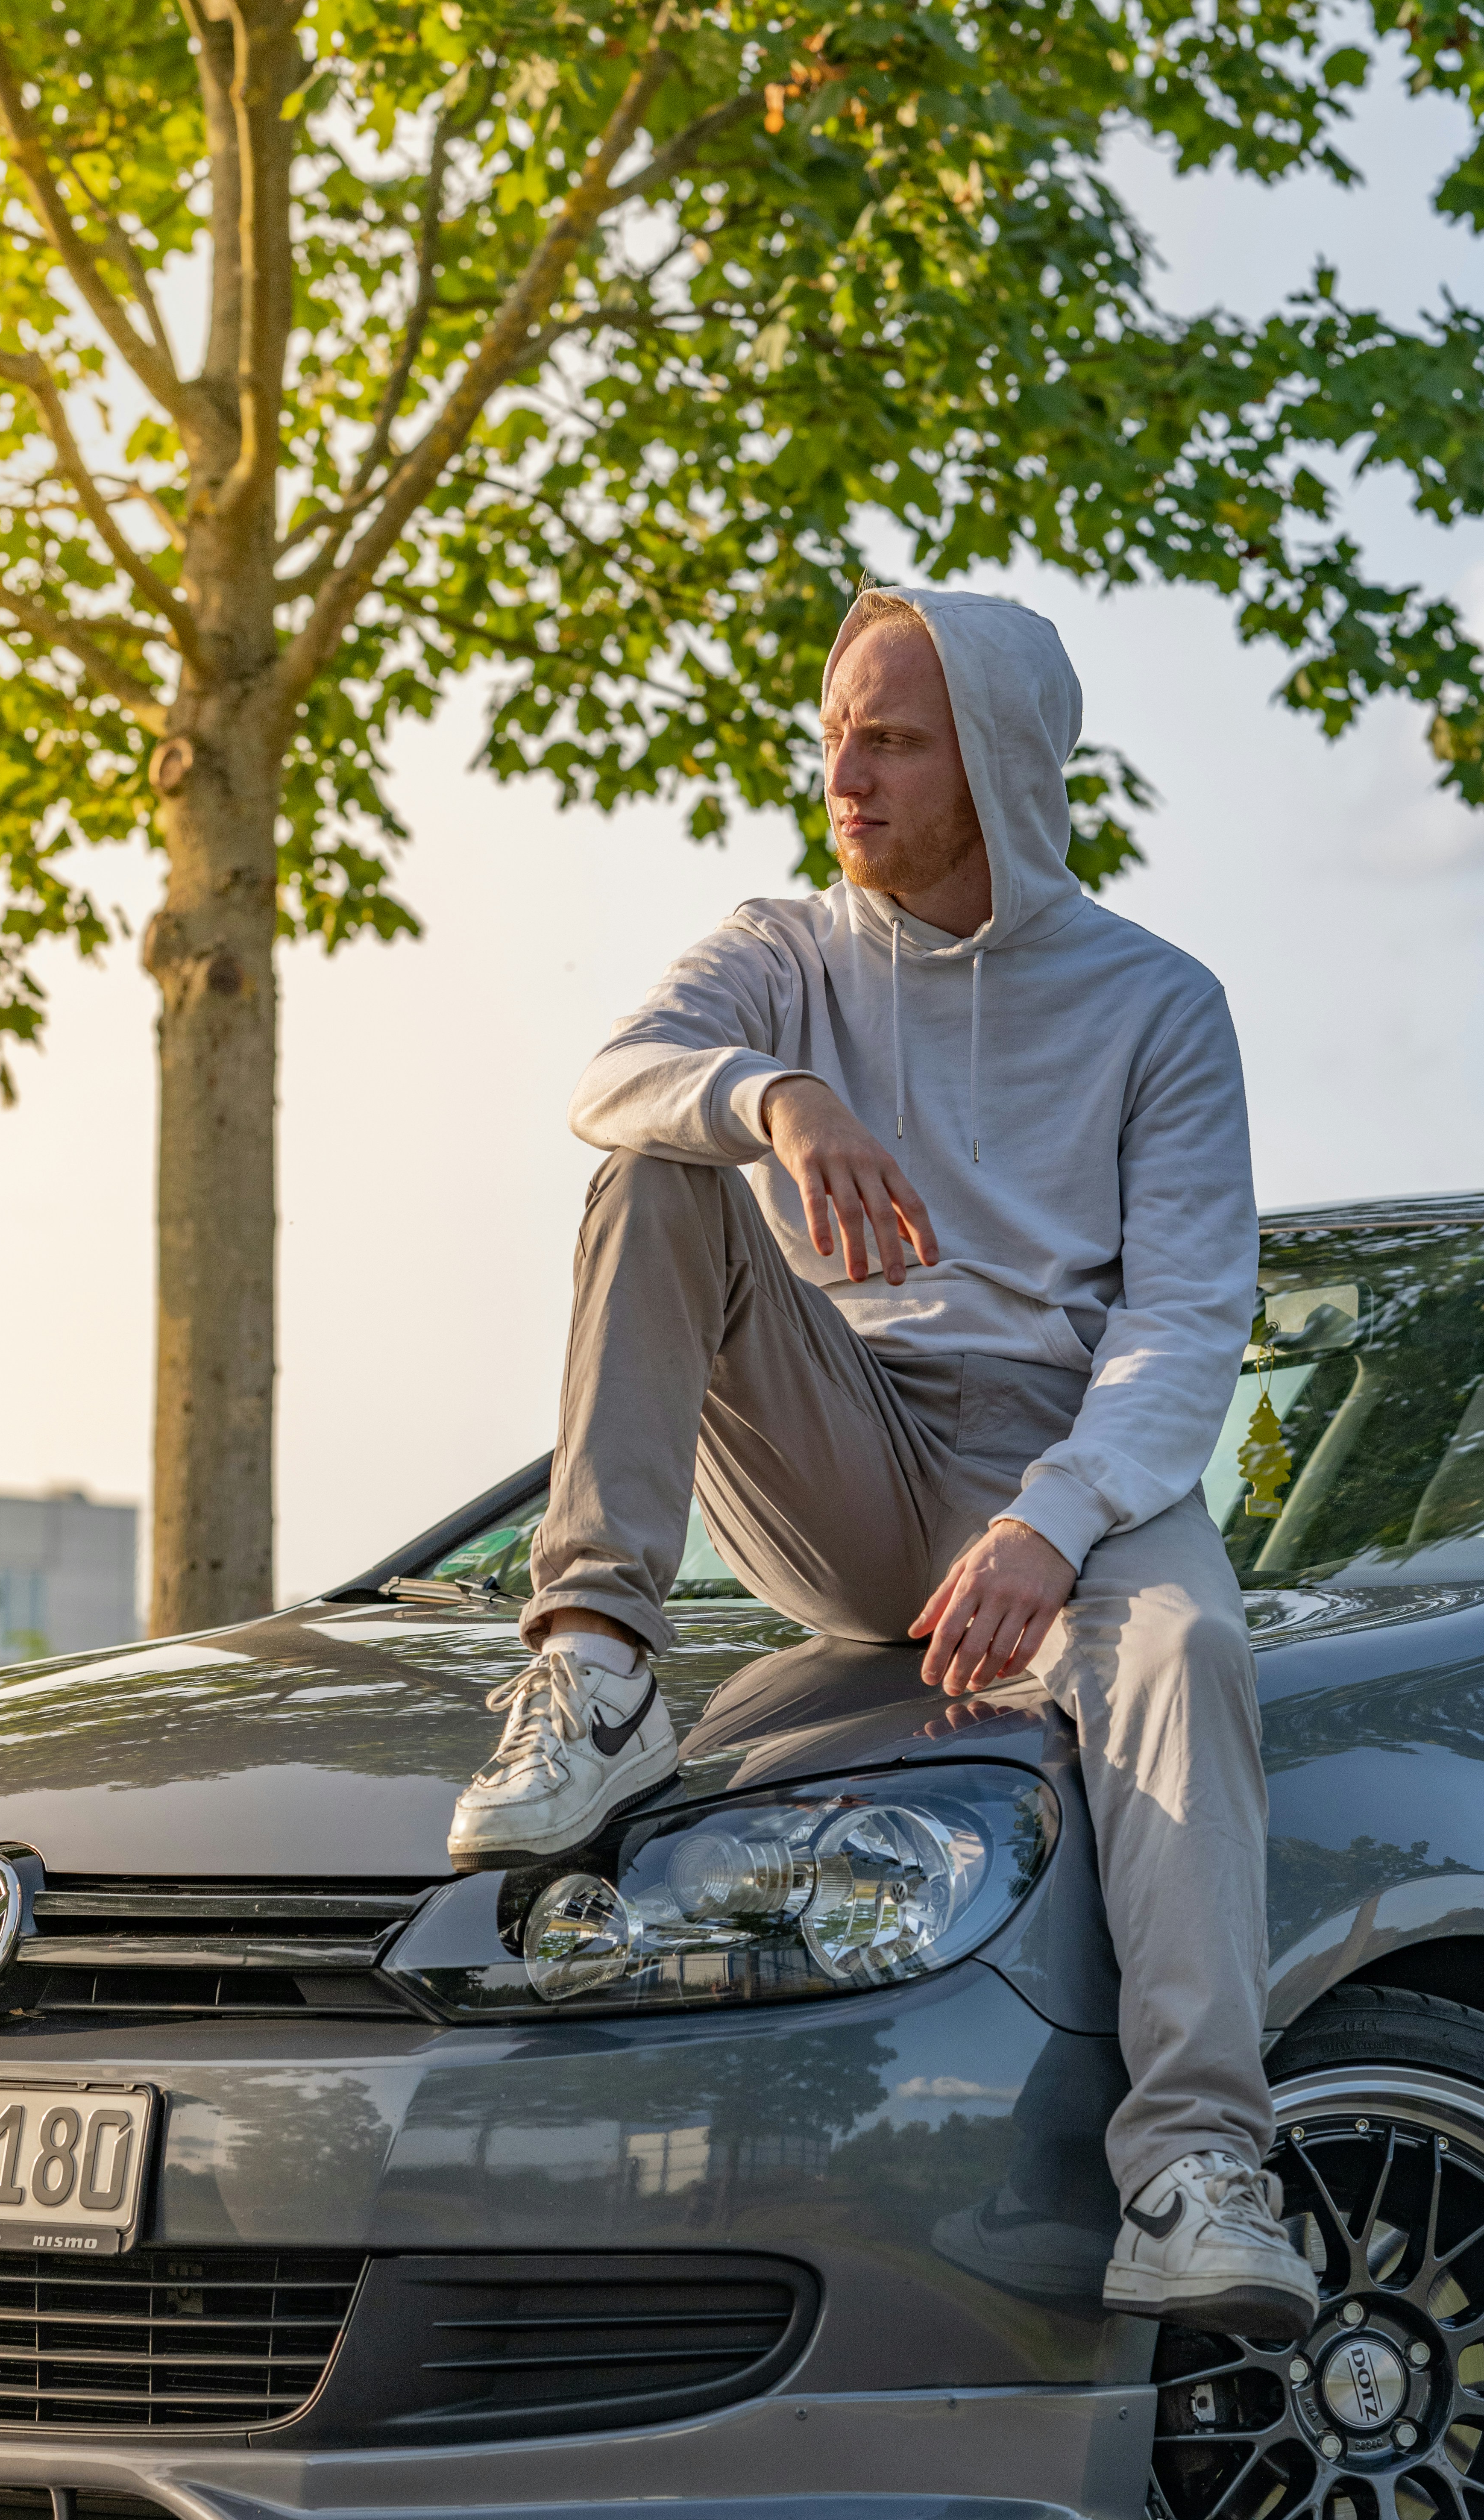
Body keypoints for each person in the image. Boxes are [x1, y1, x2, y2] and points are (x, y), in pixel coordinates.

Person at [449, 584, 1316, 2343]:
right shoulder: (781, 950)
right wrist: (778, 1099)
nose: (844, 776)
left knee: (1187, 1654)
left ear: (997, 761)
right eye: (835, 735)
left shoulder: (1159, 1005)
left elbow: (1182, 1327)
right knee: (655, 1163)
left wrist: (1053, 1527)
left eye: (894, 742)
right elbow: (614, 1079)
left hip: (1069, 1466)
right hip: (839, 1431)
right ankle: (596, 1671)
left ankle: (1195, 2173)